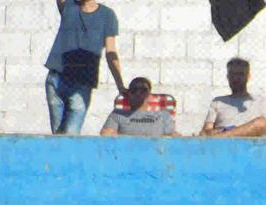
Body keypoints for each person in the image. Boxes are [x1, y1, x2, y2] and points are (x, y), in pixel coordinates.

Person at [44, 0, 127, 135]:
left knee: (71, 134)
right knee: (57, 134)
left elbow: (111, 52)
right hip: (56, 77)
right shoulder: (69, 7)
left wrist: (120, 85)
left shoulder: (107, 15)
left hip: (82, 83)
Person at [201, 58, 266, 138]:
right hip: (223, 146)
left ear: (248, 76)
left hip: (252, 147)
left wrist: (226, 133)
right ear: (227, 77)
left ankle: (225, 137)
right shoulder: (217, 102)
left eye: (240, 74)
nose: (236, 78)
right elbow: (206, 132)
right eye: (232, 74)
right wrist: (225, 130)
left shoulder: (260, 101)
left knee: (261, 123)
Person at [100, 77, 175, 137]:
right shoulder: (117, 114)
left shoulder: (163, 115)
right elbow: (106, 134)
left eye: (143, 90)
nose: (138, 93)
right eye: (134, 89)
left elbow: (172, 137)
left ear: (149, 95)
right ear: (128, 94)